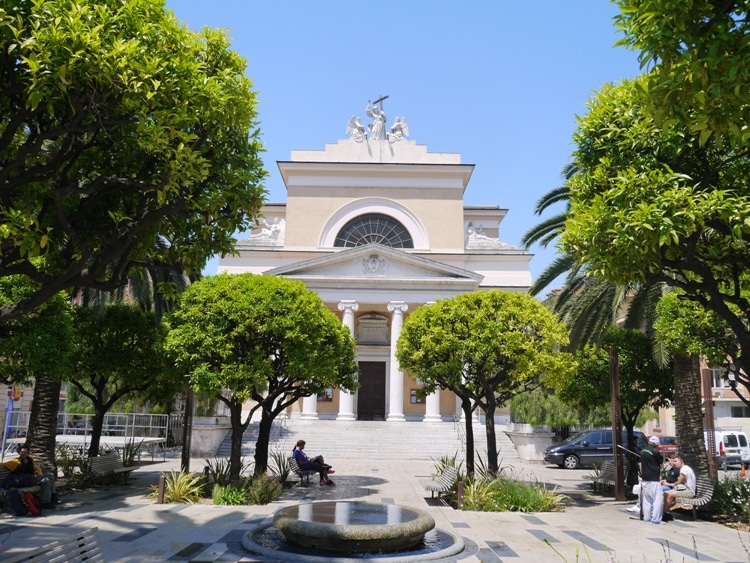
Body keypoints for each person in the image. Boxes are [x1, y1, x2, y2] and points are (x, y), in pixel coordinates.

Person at [1, 443, 59, 508]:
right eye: (22, 452)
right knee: (50, 475)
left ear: (28, 453)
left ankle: (45, 502)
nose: (23, 454)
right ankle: (54, 496)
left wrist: (36, 473)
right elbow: (3, 464)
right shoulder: (16, 462)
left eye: (25, 452)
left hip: (31, 479)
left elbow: (38, 469)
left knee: (47, 480)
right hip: (23, 481)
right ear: (19, 453)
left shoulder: (30, 460)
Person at [640, 436, 665, 524]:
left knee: (647, 499)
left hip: (645, 478)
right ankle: (656, 519)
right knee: (658, 499)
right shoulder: (656, 452)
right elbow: (661, 466)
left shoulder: (643, 451)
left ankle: (646, 518)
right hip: (654, 478)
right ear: (657, 444)